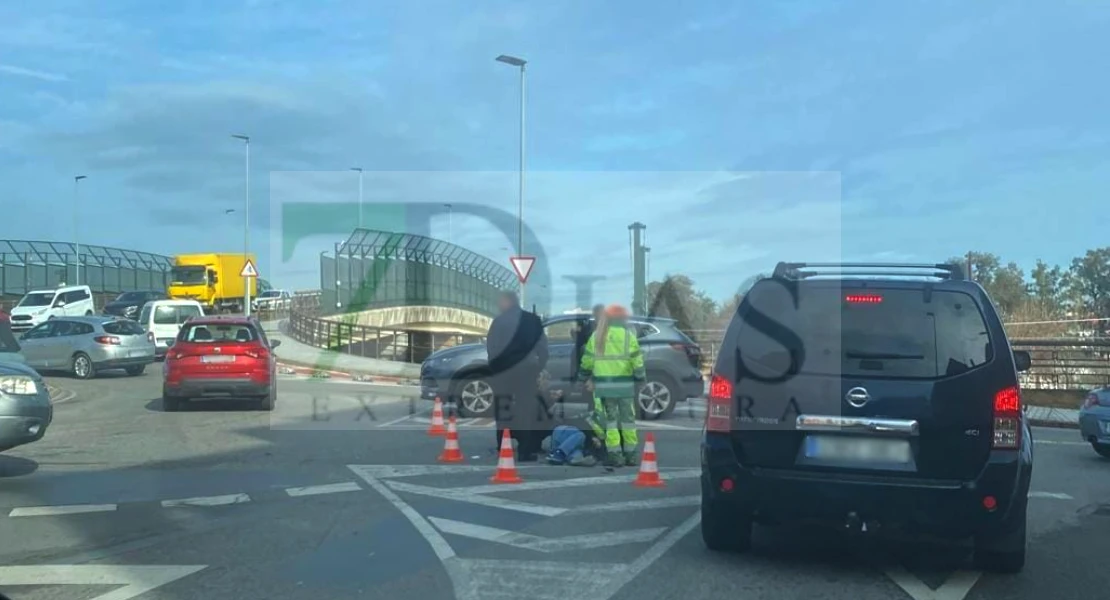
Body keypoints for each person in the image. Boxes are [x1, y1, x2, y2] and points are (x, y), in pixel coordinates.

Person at [579, 304, 645, 467]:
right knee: (628, 421)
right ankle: (631, 455)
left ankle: (615, 455)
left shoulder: (597, 335)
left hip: (604, 387)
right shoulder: (628, 336)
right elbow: (637, 361)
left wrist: (583, 376)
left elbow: (587, 360)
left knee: (610, 422)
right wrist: (640, 378)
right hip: (624, 386)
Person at [486, 290, 550, 461]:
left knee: (503, 407)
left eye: (500, 302)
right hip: (527, 370)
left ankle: (502, 445)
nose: (498, 305)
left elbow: (491, 348)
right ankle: (525, 451)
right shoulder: (532, 320)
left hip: (504, 371)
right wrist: (539, 368)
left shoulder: (498, 322)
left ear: (507, 302)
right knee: (526, 409)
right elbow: (542, 348)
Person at [541, 407, 606, 466]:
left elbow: (601, 453)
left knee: (577, 451)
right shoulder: (585, 419)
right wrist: (592, 438)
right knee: (581, 435)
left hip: (570, 445)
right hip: (564, 432)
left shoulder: (602, 433)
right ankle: (559, 453)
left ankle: (572, 458)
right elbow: (579, 425)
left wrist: (599, 447)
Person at [571, 304, 606, 387]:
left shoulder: (596, 332)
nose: (596, 317)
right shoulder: (590, 327)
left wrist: (581, 378)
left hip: (597, 373)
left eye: (597, 314)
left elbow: (587, 359)